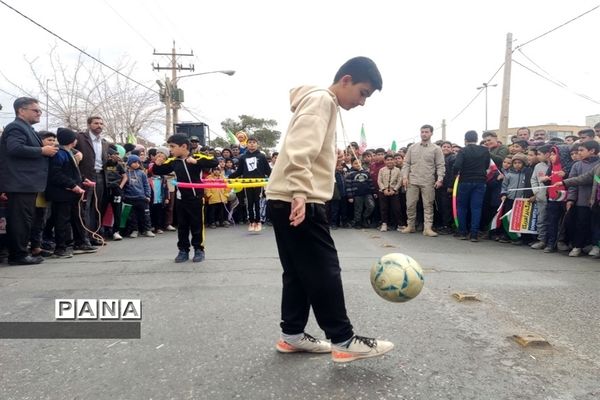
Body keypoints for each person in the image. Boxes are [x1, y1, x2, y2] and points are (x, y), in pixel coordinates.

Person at [266, 56, 394, 363]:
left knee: (298, 272)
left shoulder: (317, 100)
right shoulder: (322, 100)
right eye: (363, 93)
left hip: (285, 196)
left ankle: (292, 335)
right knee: (323, 267)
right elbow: (301, 145)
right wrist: (300, 191)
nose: (362, 102)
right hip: (299, 197)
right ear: (346, 80)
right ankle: (343, 339)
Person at [0, 97, 58, 265]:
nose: (39, 113)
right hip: (20, 183)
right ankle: (18, 254)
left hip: (26, 183)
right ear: (21, 110)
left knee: (25, 219)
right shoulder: (16, 127)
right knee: (20, 220)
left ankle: (21, 251)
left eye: (40, 111)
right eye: (35, 110)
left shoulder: (28, 128)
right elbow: (15, 148)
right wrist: (42, 150)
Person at [152, 134, 218, 263]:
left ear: (183, 146)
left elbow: (214, 162)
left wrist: (197, 162)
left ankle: (199, 249)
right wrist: (157, 164)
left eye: (172, 147)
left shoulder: (197, 156)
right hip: (181, 198)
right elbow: (158, 171)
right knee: (182, 226)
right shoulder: (173, 161)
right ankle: (183, 250)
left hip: (196, 198)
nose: (170, 150)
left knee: (197, 225)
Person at [46, 128, 95, 258]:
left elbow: (72, 172)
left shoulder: (68, 153)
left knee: (77, 217)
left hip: (72, 193)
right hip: (62, 194)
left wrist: (84, 180)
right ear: (72, 141)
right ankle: (60, 248)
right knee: (62, 220)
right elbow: (56, 174)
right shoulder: (60, 154)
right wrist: (73, 185)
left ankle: (81, 242)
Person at [401, 124, 445, 237]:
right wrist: (405, 177)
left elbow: (440, 165)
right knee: (410, 204)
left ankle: (427, 228)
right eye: (422, 132)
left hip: (428, 180)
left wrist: (440, 179)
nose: (424, 134)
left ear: (431, 133)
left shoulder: (436, 149)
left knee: (428, 205)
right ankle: (410, 226)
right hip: (412, 180)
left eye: (426, 132)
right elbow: (406, 164)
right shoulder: (412, 147)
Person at [75, 116, 109, 244]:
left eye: (101, 123)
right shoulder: (80, 137)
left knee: (97, 207)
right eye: (96, 123)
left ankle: (95, 236)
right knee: (85, 207)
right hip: (85, 176)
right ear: (89, 124)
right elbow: (68, 148)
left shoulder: (104, 142)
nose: (99, 125)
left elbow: (104, 161)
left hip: (101, 176)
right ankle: (84, 238)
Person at [453, 131, 491, 242]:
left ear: (465, 140)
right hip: (480, 181)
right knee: (476, 208)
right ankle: (474, 234)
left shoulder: (463, 150)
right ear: (477, 138)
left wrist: (456, 174)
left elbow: (457, 165)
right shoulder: (484, 150)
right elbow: (487, 165)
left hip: (465, 181)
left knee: (462, 207)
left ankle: (462, 232)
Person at [229, 136, 271, 232]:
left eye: (254, 142)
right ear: (247, 144)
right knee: (249, 203)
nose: (252, 144)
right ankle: (251, 221)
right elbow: (239, 171)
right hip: (247, 183)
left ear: (257, 144)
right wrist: (229, 177)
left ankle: (258, 221)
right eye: (250, 142)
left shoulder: (261, 156)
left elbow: (268, 171)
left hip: (258, 183)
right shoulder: (243, 157)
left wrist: (275, 177)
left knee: (257, 203)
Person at [123, 155, 154, 239]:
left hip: (142, 198)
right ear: (129, 163)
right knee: (132, 216)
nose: (136, 164)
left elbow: (146, 185)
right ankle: (135, 230)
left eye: (138, 162)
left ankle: (147, 230)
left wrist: (148, 195)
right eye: (134, 162)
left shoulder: (142, 173)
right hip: (130, 198)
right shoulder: (125, 173)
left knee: (146, 214)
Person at [104, 147, 128, 240]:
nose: (117, 156)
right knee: (103, 209)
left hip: (116, 190)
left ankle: (116, 231)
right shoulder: (103, 164)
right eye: (115, 154)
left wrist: (120, 186)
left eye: (117, 154)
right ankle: (101, 231)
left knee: (117, 211)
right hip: (105, 189)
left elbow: (125, 176)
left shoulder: (119, 165)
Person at [377, 154, 402, 232]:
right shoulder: (382, 170)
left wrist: (394, 190)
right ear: (385, 161)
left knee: (397, 208)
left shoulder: (398, 170)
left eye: (391, 159)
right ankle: (384, 224)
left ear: (394, 161)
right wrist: (384, 189)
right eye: (388, 160)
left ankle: (400, 224)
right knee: (384, 208)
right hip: (383, 192)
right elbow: (379, 181)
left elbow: (399, 181)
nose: (390, 161)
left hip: (394, 192)